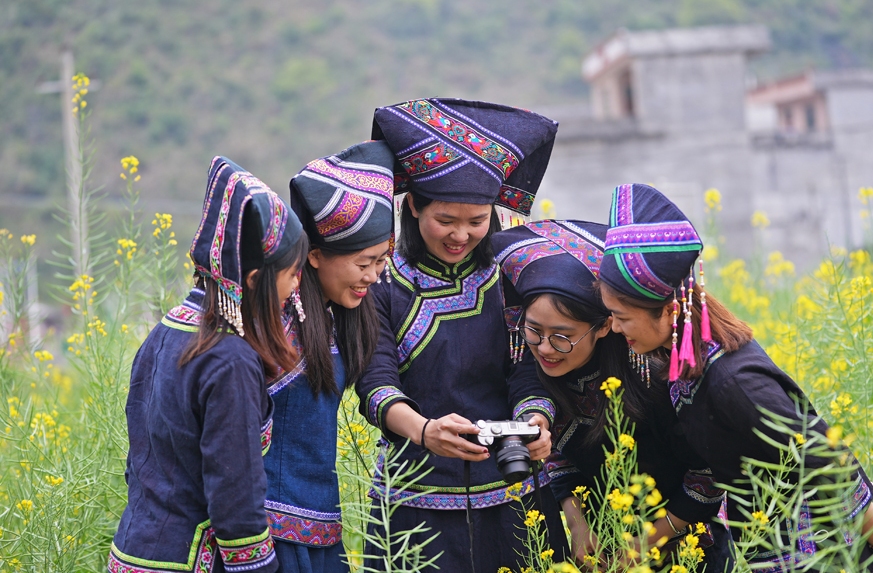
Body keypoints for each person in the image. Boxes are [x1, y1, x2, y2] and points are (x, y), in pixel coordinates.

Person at [596, 183, 873, 571]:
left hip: (822, 554)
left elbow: (825, 458)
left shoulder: (732, 382)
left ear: (671, 311)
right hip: (770, 547)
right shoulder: (688, 368)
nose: (616, 329)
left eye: (622, 318)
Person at [355, 98, 568, 573]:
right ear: (412, 206)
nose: (461, 236)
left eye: (477, 221)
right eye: (445, 221)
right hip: (415, 506)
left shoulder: (512, 274)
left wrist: (536, 422)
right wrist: (426, 431)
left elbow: (530, 367)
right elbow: (375, 381)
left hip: (515, 496)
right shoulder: (382, 284)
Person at [492, 219, 735, 571]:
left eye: (562, 335)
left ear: (605, 325)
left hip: (685, 545)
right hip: (607, 548)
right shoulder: (539, 372)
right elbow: (561, 452)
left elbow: (708, 473)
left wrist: (650, 540)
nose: (545, 348)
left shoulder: (656, 380)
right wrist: (577, 525)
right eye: (534, 330)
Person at [108, 157, 307, 573]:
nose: (296, 289)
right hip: (187, 560)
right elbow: (235, 492)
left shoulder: (167, 330)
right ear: (254, 280)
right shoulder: (229, 359)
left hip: (133, 551)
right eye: (292, 275)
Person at [263, 141, 395, 573]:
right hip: (268, 535)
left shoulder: (342, 316)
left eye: (382, 262)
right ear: (315, 256)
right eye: (363, 263)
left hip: (323, 526)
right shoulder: (275, 325)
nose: (373, 276)